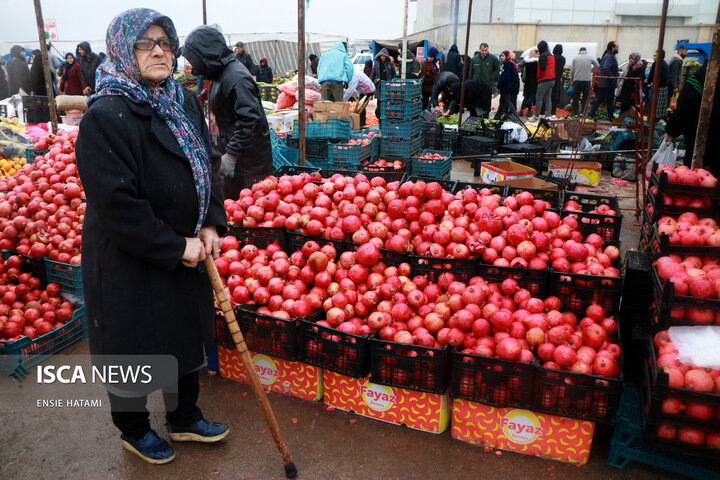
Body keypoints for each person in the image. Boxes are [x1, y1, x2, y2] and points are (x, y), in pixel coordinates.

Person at [75, 8, 228, 465]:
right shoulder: (106, 115)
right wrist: (175, 246)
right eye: (146, 43)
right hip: (131, 252)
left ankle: (184, 416)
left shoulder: (180, 101)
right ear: (123, 50)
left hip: (187, 241)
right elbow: (117, 205)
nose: (160, 50)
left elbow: (207, 162)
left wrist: (209, 222)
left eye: (166, 41)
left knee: (183, 331)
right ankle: (134, 429)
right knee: (134, 342)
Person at [183, 25, 273, 200]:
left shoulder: (237, 77)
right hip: (236, 161)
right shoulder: (220, 72)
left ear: (205, 55)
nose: (194, 68)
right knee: (232, 208)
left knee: (250, 211)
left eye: (194, 61)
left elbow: (250, 119)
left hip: (249, 165)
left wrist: (231, 155)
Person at [666, 64, 720, 174]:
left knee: (696, 178)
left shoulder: (705, 72)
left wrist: (672, 130)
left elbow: (686, 103)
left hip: (701, 142)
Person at [589, 41, 619, 121]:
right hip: (608, 83)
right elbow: (605, 67)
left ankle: (592, 113)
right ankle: (610, 117)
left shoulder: (607, 55)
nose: (618, 48)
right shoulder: (610, 56)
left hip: (604, 82)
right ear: (613, 48)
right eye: (617, 47)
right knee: (609, 100)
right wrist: (612, 77)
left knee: (601, 99)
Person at [570, 47, 599, 117]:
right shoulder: (590, 57)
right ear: (586, 51)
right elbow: (597, 65)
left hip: (577, 80)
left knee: (576, 97)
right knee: (585, 97)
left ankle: (576, 113)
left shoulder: (575, 58)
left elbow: (572, 70)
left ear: (579, 51)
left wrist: (572, 79)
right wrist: (590, 71)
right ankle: (583, 113)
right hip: (587, 81)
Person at [615, 52, 646, 116]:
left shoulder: (640, 67)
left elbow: (640, 78)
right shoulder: (631, 65)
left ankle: (628, 120)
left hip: (633, 90)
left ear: (636, 59)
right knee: (624, 105)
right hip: (626, 89)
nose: (630, 60)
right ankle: (622, 119)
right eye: (630, 58)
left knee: (631, 106)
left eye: (632, 58)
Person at [531, 40, 555, 121]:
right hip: (552, 79)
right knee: (548, 98)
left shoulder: (543, 56)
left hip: (544, 80)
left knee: (539, 97)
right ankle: (548, 115)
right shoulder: (551, 56)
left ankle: (536, 116)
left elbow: (541, 69)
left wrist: (538, 77)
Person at [646, 49, 670, 120]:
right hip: (656, 87)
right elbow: (651, 75)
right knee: (653, 104)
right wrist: (648, 81)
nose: (654, 57)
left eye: (655, 56)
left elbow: (663, 78)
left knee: (657, 106)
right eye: (654, 55)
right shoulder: (656, 64)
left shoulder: (663, 65)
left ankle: (656, 120)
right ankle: (652, 118)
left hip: (661, 88)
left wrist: (654, 83)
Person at [495, 50, 519, 120]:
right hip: (505, 87)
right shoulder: (507, 63)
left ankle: (516, 116)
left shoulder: (508, 64)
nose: (502, 57)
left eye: (503, 56)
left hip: (506, 87)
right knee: (502, 102)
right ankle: (497, 117)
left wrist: (499, 84)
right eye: (501, 56)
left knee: (507, 101)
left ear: (507, 56)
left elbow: (505, 76)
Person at [518, 49, 538, 116]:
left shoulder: (526, 62)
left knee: (526, 97)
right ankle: (529, 111)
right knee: (531, 97)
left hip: (527, 81)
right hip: (534, 82)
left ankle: (521, 110)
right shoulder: (536, 63)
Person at [551, 44, 566, 115]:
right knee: (555, 95)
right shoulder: (563, 59)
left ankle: (548, 109)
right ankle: (553, 110)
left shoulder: (552, 58)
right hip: (558, 78)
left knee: (549, 95)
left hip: (551, 77)